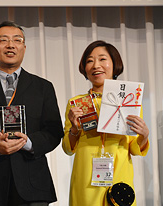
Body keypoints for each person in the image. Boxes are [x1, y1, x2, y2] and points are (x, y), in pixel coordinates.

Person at [0, 21, 64, 206]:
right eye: (3, 40)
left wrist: (28, 143)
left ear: (23, 48)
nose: (10, 45)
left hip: (33, 187)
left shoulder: (43, 88)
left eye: (17, 40)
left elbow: (54, 132)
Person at [62, 40, 150, 206]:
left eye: (102, 59)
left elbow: (135, 148)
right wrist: (74, 129)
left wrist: (144, 135)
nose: (96, 65)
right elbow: (68, 148)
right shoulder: (76, 103)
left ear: (114, 64)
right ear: (84, 68)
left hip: (119, 180)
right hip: (86, 181)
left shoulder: (130, 100)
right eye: (90, 61)